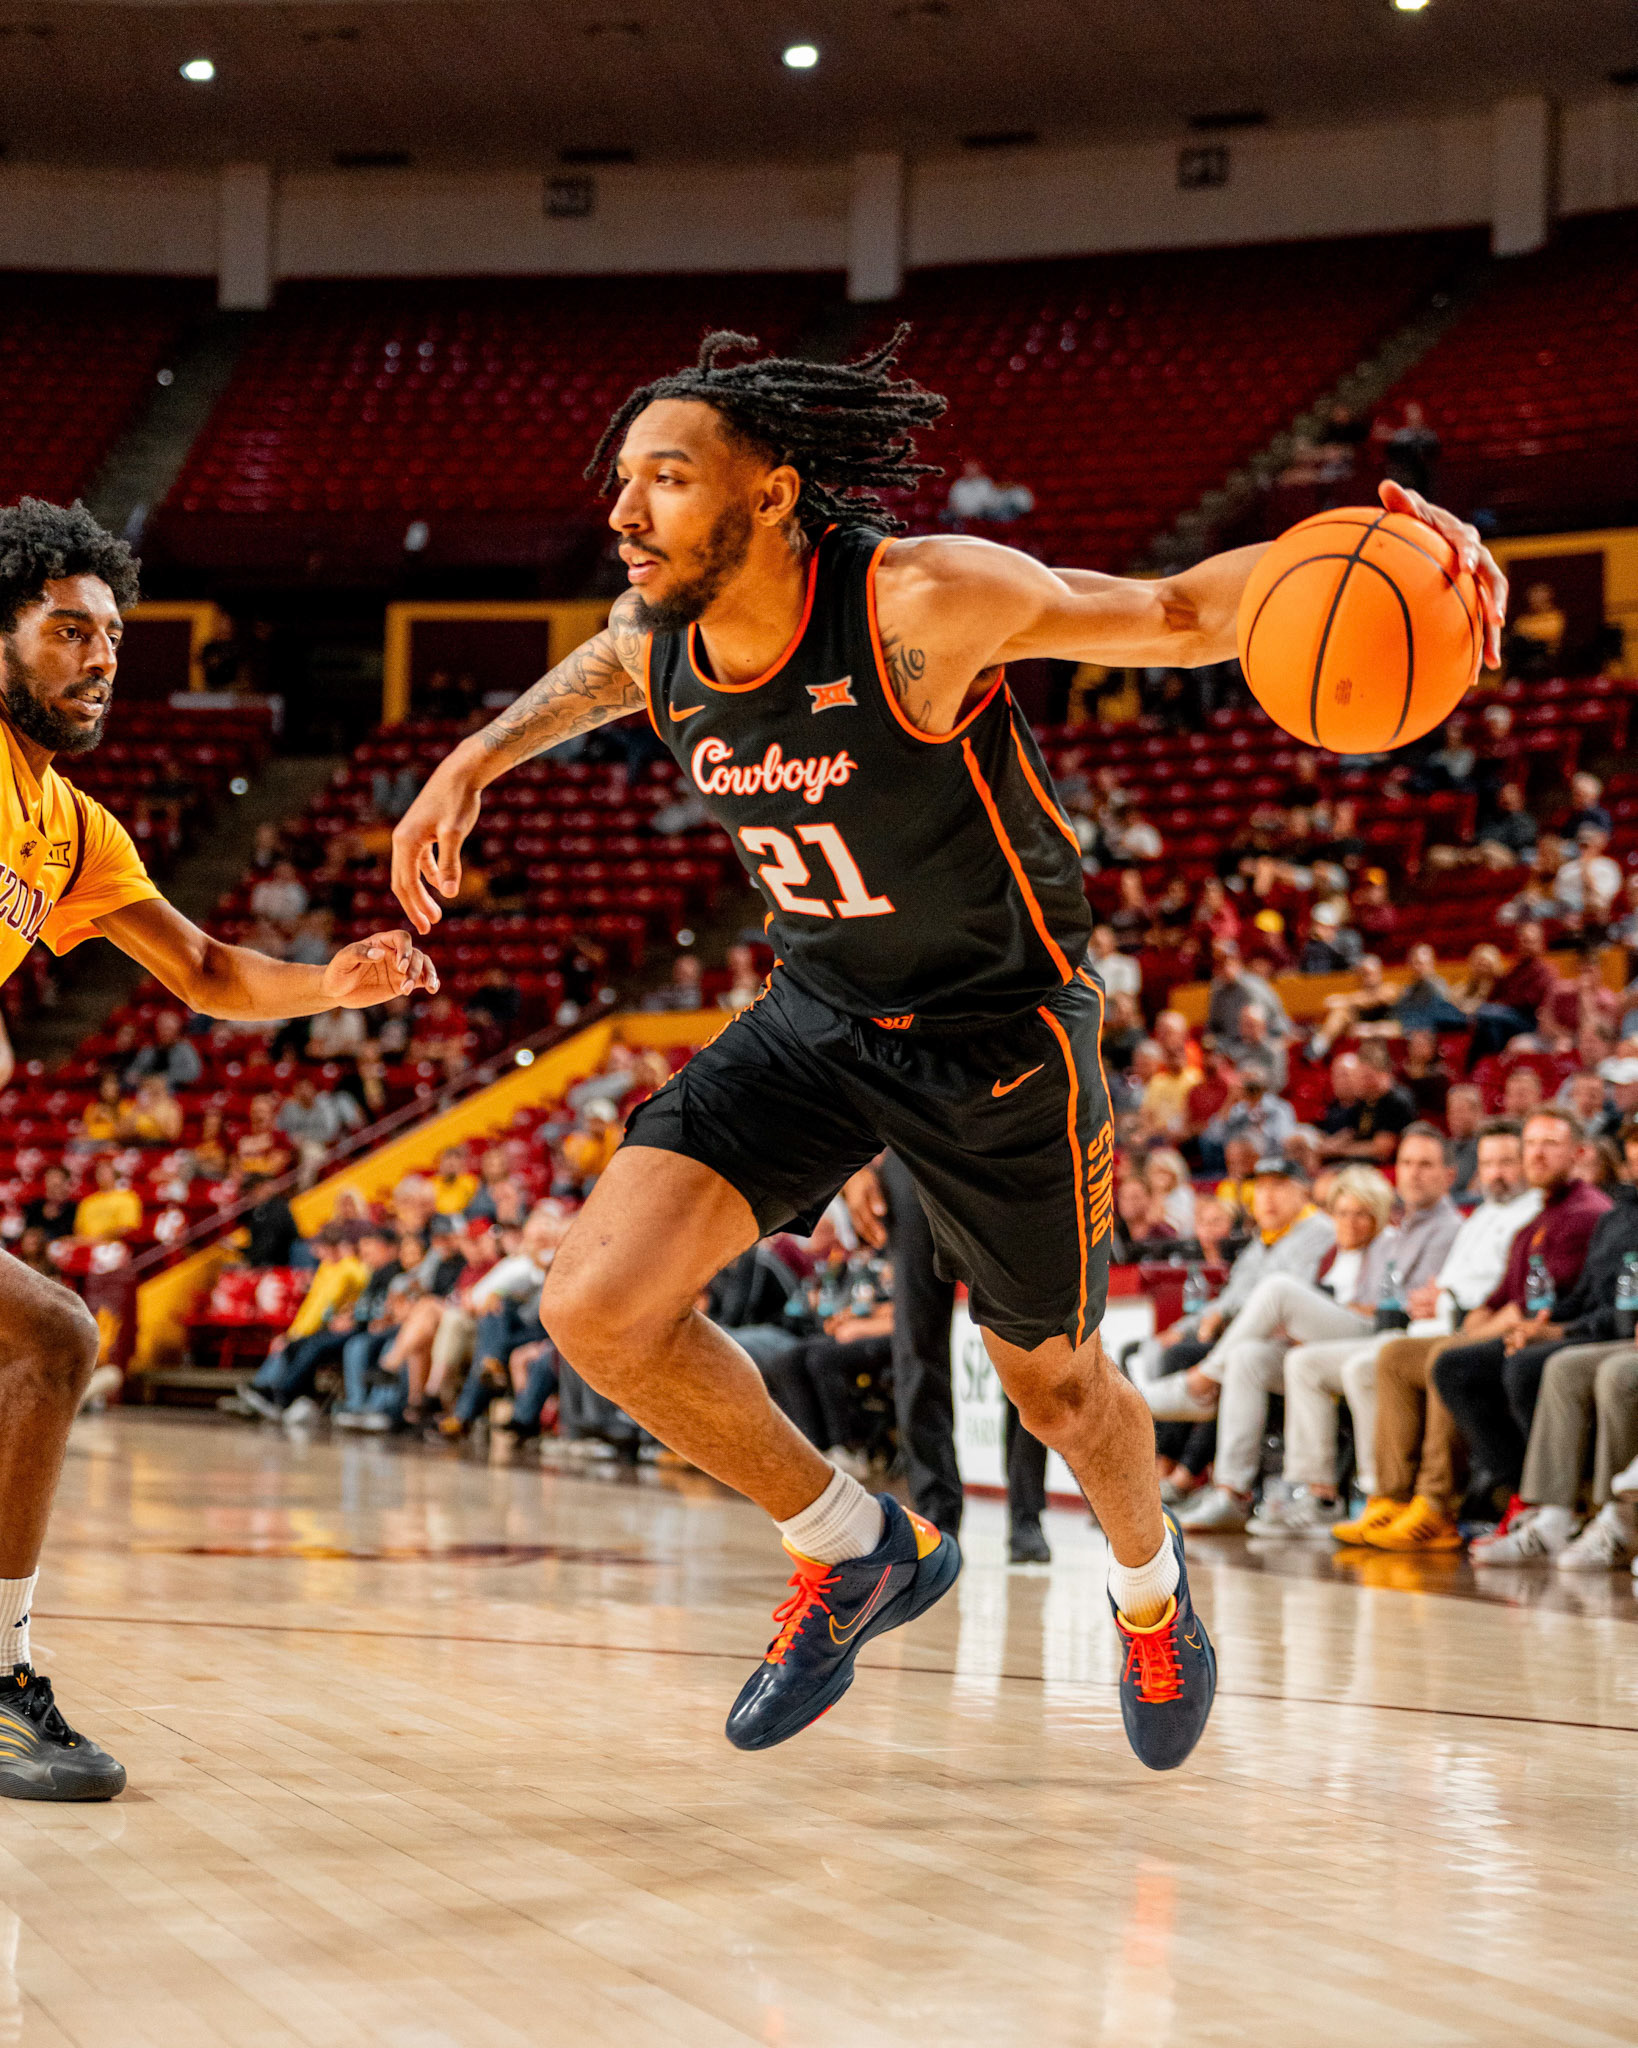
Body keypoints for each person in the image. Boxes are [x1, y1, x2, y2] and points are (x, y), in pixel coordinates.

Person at [391, 326, 1502, 1770]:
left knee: (1053, 1383)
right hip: (819, 1013)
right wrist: (465, 764)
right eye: (622, 481)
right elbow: (598, 677)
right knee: (593, 1309)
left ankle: (1152, 1593)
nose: (623, 510)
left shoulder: (916, 602)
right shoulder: (657, 638)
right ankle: (852, 1548)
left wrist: (1372, 552)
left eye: (664, 479)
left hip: (999, 1036)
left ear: (773, 494)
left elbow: (1169, 608)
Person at [0, 497, 435, 1803]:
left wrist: (332, 988)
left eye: (114, 640)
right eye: (68, 630)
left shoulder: (68, 827)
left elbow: (198, 967)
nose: (99, 658)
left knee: (54, 1339)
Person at [1348, 1107, 1607, 1552]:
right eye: (1531, 1145)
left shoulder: (1584, 1213)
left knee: (1449, 1361)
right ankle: (1390, 1495)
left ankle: (1438, 1502)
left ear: (1579, 1153)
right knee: (1394, 1358)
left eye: (1548, 1145)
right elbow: (1492, 1301)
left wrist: (1484, 1321)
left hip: (1552, 1333)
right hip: (1490, 1326)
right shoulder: (1531, 1220)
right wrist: (1479, 1320)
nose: (1535, 1156)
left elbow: (1531, 1306)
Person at [1145, 1163, 1394, 1533]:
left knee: (1277, 1290)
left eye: (1362, 1214)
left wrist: (1321, 1314)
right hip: (1315, 1344)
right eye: (1342, 1212)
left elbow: (1390, 1307)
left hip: (1369, 1338)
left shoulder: (1382, 1244)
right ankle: (1231, 1491)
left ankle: (1200, 1382)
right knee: (1246, 1358)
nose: (1349, 1221)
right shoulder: (1332, 1250)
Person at [1249, 1124, 1464, 1537]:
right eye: (1406, 1163)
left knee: (1361, 1362)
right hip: (1385, 1333)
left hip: (1415, 1338)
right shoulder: (1403, 1230)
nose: (1414, 1173)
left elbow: (1417, 1306)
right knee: (1303, 1362)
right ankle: (1320, 1494)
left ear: (1447, 1176)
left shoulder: (1448, 1228)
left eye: (1425, 1164)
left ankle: (1376, 1493)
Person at [844, 1152, 1054, 1566]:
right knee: (917, 1345)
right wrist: (855, 1166)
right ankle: (936, 1519)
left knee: (1028, 1342)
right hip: (912, 1150)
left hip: (1005, 1143)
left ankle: (1027, 1515)